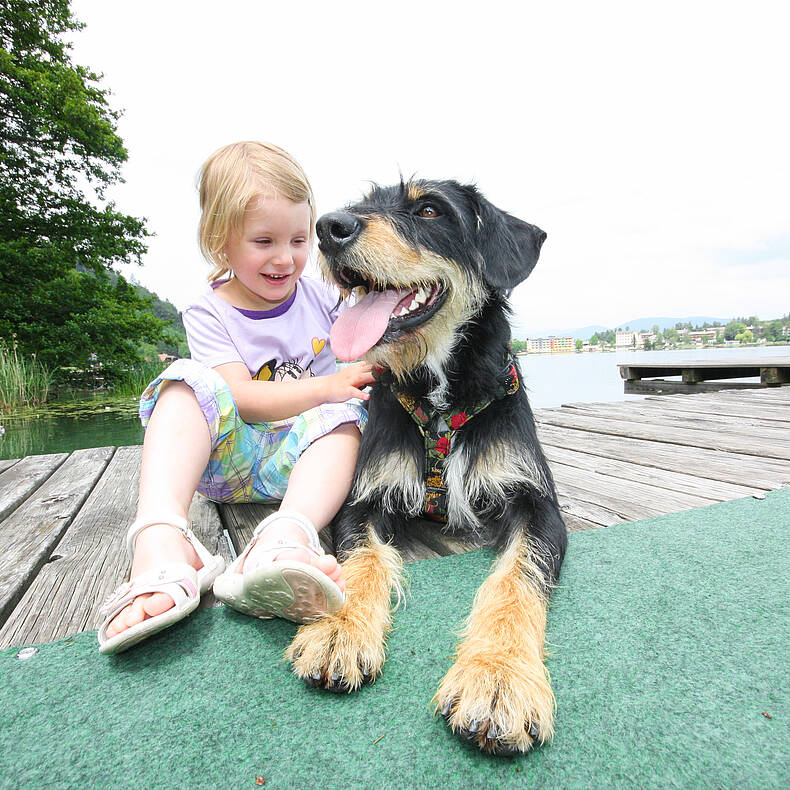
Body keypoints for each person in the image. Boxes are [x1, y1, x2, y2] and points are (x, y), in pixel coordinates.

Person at [97, 141, 374, 654]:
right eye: (263, 240)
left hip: (308, 464)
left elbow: (358, 355)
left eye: (297, 239)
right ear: (220, 242)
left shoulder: (320, 295)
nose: (285, 258)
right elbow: (240, 397)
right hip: (233, 464)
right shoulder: (209, 311)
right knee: (185, 381)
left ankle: (283, 539)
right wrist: (327, 384)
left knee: (349, 413)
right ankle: (162, 540)